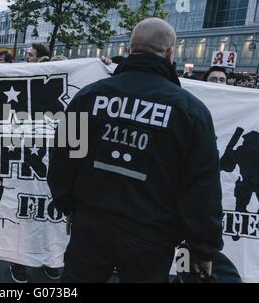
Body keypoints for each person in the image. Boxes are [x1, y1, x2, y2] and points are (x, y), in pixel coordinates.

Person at [48, 18, 224, 283]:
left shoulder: (89, 97)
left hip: (92, 225)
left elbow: (63, 160)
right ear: (169, 54)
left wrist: (69, 207)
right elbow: (202, 187)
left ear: (130, 49)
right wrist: (203, 248)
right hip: (152, 236)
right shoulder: (191, 112)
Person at [8, 42, 60, 284]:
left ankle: (51, 258)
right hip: (25, 160)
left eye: (30, 55)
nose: (25, 58)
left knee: (51, 213)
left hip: (52, 163)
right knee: (22, 213)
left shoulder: (58, 83)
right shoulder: (19, 82)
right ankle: (18, 260)